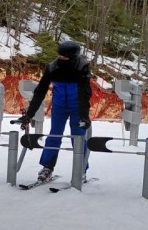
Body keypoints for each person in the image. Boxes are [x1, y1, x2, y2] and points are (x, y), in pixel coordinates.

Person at [15, 40, 92, 183]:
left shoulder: (82, 67)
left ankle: (81, 170)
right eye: (59, 55)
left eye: (64, 57)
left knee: (78, 137)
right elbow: (40, 91)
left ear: (72, 57)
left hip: (77, 106)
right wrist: (29, 114)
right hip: (59, 106)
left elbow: (85, 93)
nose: (60, 58)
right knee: (54, 135)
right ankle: (47, 167)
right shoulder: (52, 67)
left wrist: (84, 116)